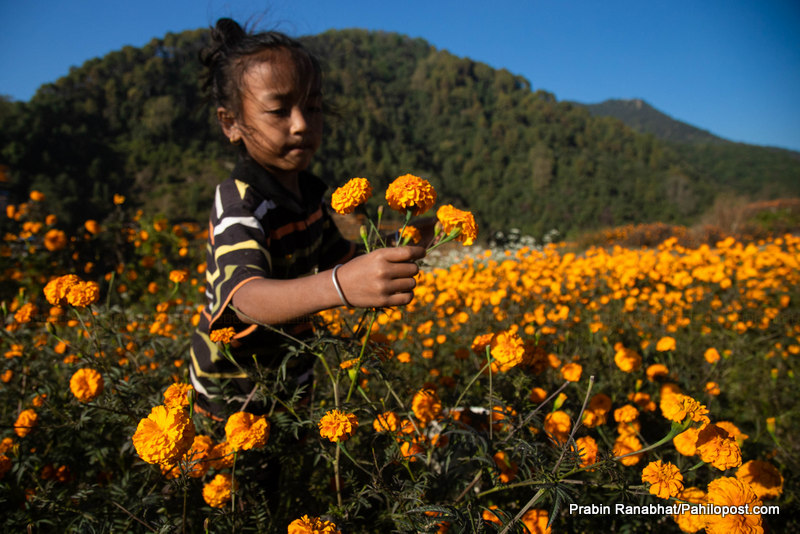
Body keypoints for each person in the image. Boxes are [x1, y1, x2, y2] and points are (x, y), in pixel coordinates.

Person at [190, 18, 425, 419]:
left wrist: (398, 249)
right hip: (233, 397)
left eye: (312, 107)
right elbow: (243, 300)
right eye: (279, 110)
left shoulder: (309, 195)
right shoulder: (239, 203)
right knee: (238, 482)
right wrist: (340, 287)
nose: (301, 124)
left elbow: (341, 256)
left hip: (292, 382)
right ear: (230, 123)